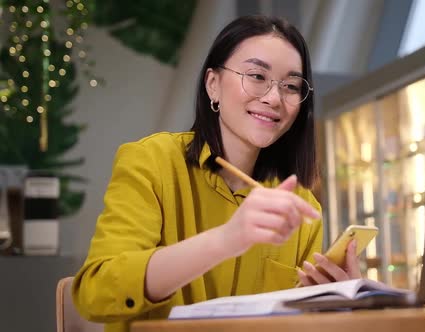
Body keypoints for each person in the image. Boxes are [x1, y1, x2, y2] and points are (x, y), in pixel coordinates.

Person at [72, 15, 361, 332]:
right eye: (256, 75)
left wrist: (334, 304)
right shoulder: (151, 162)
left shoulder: (302, 206)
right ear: (213, 84)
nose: (274, 98)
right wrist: (227, 239)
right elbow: (95, 294)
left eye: (291, 86)